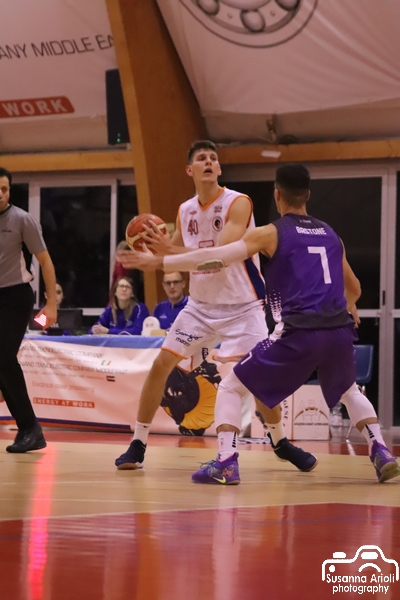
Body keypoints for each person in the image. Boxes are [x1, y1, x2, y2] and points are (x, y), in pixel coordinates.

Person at [127, 163, 400, 484]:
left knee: (230, 386)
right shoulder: (331, 234)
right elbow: (354, 288)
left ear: (277, 195)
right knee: (349, 390)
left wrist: (162, 259)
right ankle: (381, 450)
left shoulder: (271, 232)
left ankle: (226, 461)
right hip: (338, 331)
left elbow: (217, 258)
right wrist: (348, 306)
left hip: (298, 332)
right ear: (308, 194)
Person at [115, 140, 316, 473]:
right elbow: (174, 254)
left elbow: (217, 257)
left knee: (259, 380)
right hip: (200, 307)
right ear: (190, 170)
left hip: (243, 307)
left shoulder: (238, 203)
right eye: (201, 158)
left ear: (219, 168)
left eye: (213, 158)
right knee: (161, 365)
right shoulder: (185, 210)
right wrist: (149, 253)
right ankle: (138, 443)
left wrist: (166, 254)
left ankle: (280, 442)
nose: (208, 161)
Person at [0, 166, 57, 453]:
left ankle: (30, 428)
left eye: (4, 189)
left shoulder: (22, 219)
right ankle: (28, 429)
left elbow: (45, 261)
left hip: (15, 297)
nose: (1, 194)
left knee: (3, 358)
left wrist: (51, 303)